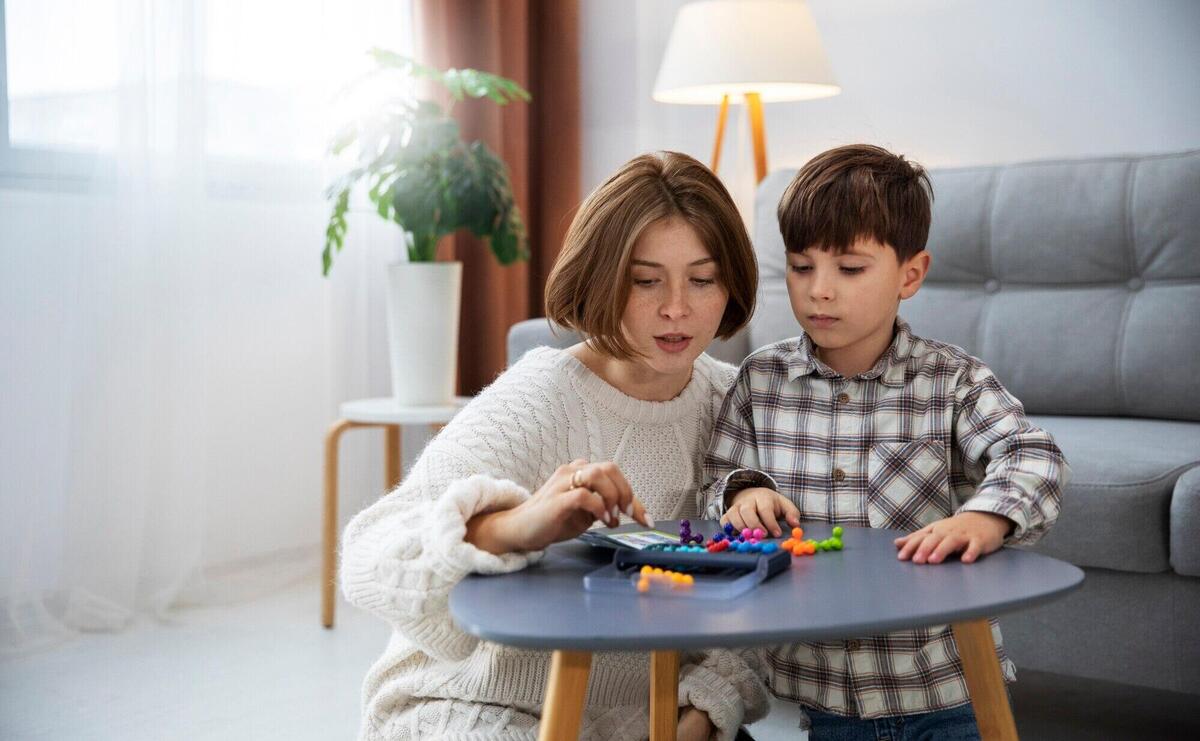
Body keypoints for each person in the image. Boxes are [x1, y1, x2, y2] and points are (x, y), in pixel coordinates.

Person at [340, 150, 767, 741]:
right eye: (645, 281)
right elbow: (369, 557)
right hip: (479, 705)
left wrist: (703, 712)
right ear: (601, 277)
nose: (677, 307)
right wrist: (516, 525)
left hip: (650, 718)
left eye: (702, 279)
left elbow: (770, 596)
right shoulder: (542, 394)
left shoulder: (739, 402)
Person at [700, 144, 1070, 739]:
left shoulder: (951, 380)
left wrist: (986, 518)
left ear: (911, 274)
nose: (819, 290)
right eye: (800, 266)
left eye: (849, 269)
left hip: (943, 687)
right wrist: (742, 495)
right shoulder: (760, 380)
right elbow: (720, 475)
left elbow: (1032, 455)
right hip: (810, 697)